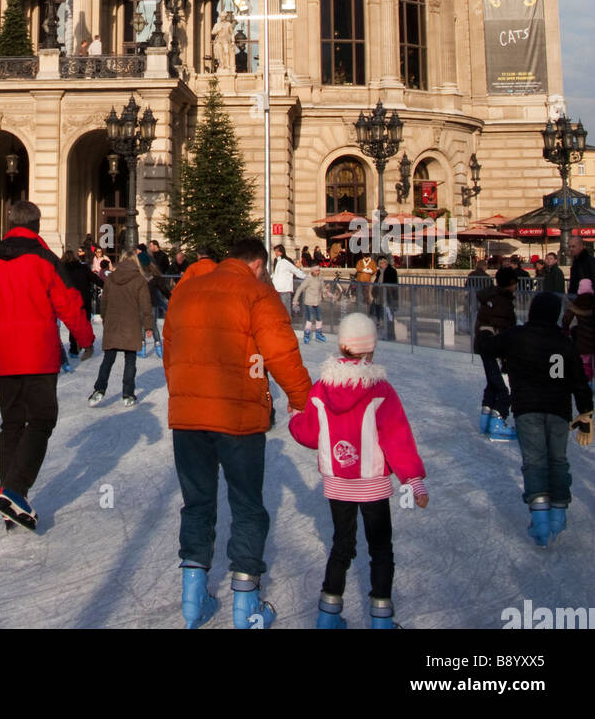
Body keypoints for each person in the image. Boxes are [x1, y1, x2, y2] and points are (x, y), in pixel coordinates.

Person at [163, 236, 312, 629]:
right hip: (238, 417)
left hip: (188, 416)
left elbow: (170, 346)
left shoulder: (187, 289)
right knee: (247, 505)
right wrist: (302, 397)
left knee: (197, 504)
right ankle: (245, 604)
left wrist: (181, 394)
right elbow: (281, 351)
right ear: (259, 265)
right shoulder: (257, 292)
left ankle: (193, 600)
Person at [288, 312, 428, 630]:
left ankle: (327, 617)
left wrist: (296, 416)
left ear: (343, 347)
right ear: (370, 349)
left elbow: (308, 433)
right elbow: (397, 438)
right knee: (380, 549)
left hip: (338, 484)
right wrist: (413, 480)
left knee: (342, 545)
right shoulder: (380, 390)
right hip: (373, 484)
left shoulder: (322, 388)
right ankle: (381, 620)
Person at [0, 200, 94, 530]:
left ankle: (7, 497)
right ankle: (13, 489)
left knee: (12, 425)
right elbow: (69, 302)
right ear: (37, 226)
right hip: (38, 356)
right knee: (41, 419)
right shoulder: (44, 260)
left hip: (2, 356)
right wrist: (86, 338)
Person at [476, 291, 593, 546]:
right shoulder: (564, 342)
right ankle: (558, 515)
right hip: (558, 411)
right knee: (558, 461)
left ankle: (540, 520)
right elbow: (579, 381)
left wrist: (485, 329)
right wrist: (586, 414)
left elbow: (484, 347)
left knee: (535, 461)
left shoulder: (517, 336)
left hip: (528, 409)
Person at [89, 251, 154, 406]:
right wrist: (148, 325)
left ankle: (99, 389)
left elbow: (104, 301)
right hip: (131, 324)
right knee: (130, 360)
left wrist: (105, 318)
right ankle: (128, 393)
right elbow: (146, 304)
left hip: (113, 323)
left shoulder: (111, 278)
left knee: (108, 359)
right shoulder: (139, 280)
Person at [474, 267, 519, 439]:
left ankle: (486, 418)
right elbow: (505, 329)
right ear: (510, 284)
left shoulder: (492, 297)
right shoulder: (502, 302)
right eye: (515, 283)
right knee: (503, 386)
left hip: (485, 344)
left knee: (493, 382)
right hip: (493, 346)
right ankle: (498, 421)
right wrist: (508, 350)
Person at [61, 249, 102, 357]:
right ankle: (88, 345)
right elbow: (95, 279)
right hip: (84, 299)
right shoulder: (83, 268)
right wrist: (106, 285)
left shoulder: (62, 270)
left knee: (73, 325)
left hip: (70, 301)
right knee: (86, 323)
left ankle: (74, 348)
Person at [561, 278, 594, 383]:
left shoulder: (577, 302)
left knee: (585, 363)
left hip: (582, 339)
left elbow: (566, 320)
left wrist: (566, 331)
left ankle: (588, 385)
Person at [294, 260, 326, 344]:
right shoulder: (308, 279)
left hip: (317, 301)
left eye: (319, 270)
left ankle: (319, 334)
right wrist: (295, 300)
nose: (318, 272)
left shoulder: (320, 278)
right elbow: (300, 289)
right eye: (316, 270)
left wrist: (327, 292)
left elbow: (323, 288)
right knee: (310, 318)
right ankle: (307, 334)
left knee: (319, 317)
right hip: (309, 302)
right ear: (312, 271)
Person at [270, 244, 303, 317]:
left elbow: (295, 271)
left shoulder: (287, 261)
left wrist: (306, 277)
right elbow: (275, 272)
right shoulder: (276, 260)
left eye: (277, 251)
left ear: (281, 252)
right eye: (275, 251)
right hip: (277, 288)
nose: (276, 253)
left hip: (285, 288)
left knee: (285, 309)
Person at [372, 254, 399, 341]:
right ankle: (385, 334)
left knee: (389, 316)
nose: (381, 264)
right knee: (382, 316)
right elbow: (376, 283)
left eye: (382, 263)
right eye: (379, 263)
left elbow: (394, 285)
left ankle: (391, 335)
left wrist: (391, 295)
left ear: (385, 262)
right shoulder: (379, 272)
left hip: (389, 297)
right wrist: (374, 292)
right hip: (380, 297)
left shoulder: (391, 271)